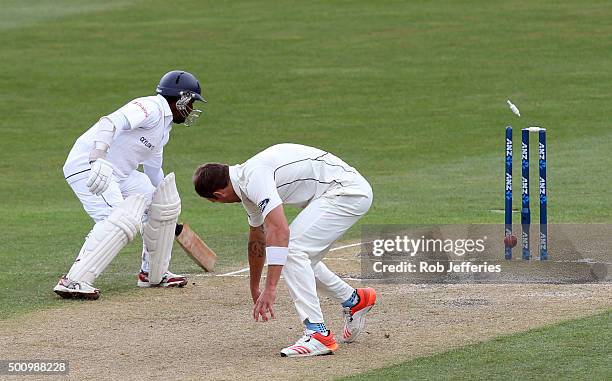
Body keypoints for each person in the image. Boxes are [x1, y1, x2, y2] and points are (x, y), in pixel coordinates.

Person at [192, 143, 377, 357]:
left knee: (291, 250)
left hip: (346, 192)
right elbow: (258, 238)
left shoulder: (254, 179)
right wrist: (255, 286)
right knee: (300, 259)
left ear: (218, 195)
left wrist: (271, 288)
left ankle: (318, 334)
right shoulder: (245, 183)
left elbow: (280, 231)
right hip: (336, 192)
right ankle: (354, 300)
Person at [55, 70, 206, 300]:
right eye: (191, 102)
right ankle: (73, 280)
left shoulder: (164, 130)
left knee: (160, 202)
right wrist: (98, 158)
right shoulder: (151, 108)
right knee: (120, 219)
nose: (192, 109)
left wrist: (164, 213)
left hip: (121, 174)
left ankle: (152, 274)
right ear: (182, 98)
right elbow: (109, 122)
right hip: (89, 165)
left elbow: (154, 171)